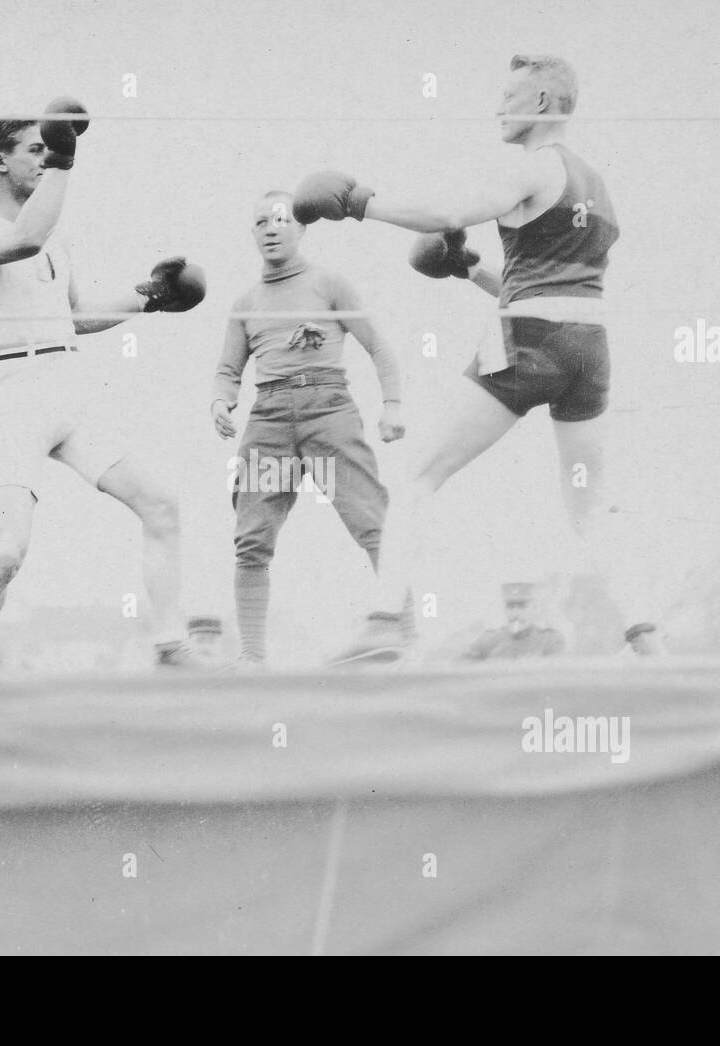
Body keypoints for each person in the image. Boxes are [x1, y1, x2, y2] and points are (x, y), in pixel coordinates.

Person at [289, 54, 662, 662]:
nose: (496, 107)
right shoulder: (596, 183)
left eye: (508, 95)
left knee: (418, 474)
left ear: (541, 103)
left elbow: (446, 216)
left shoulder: (533, 166)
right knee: (590, 508)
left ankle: (386, 621)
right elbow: (549, 284)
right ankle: (648, 636)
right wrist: (469, 268)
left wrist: (360, 202)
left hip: (529, 340)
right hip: (589, 351)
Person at [0, 99, 209, 670]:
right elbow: (25, 241)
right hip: (12, 393)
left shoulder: (53, 239)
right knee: (9, 551)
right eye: (34, 150)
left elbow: (78, 315)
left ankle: (171, 646)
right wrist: (66, 161)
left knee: (161, 504)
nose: (45, 160)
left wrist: (149, 298)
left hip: (69, 384)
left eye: (48, 150)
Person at [211, 191, 406, 668]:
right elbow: (228, 369)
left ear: (302, 228)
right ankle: (252, 657)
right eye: (260, 222)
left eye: (281, 220)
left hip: (329, 407)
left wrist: (393, 405)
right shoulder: (244, 303)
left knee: (371, 520)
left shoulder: (329, 283)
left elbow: (378, 347)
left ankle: (404, 635)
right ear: (252, 234)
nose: (271, 229)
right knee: (251, 539)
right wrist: (221, 400)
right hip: (270, 416)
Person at [462, 582, 566, 660]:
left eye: (522, 606)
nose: (515, 614)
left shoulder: (550, 640)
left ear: (534, 608)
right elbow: (461, 668)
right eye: (510, 607)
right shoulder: (487, 640)